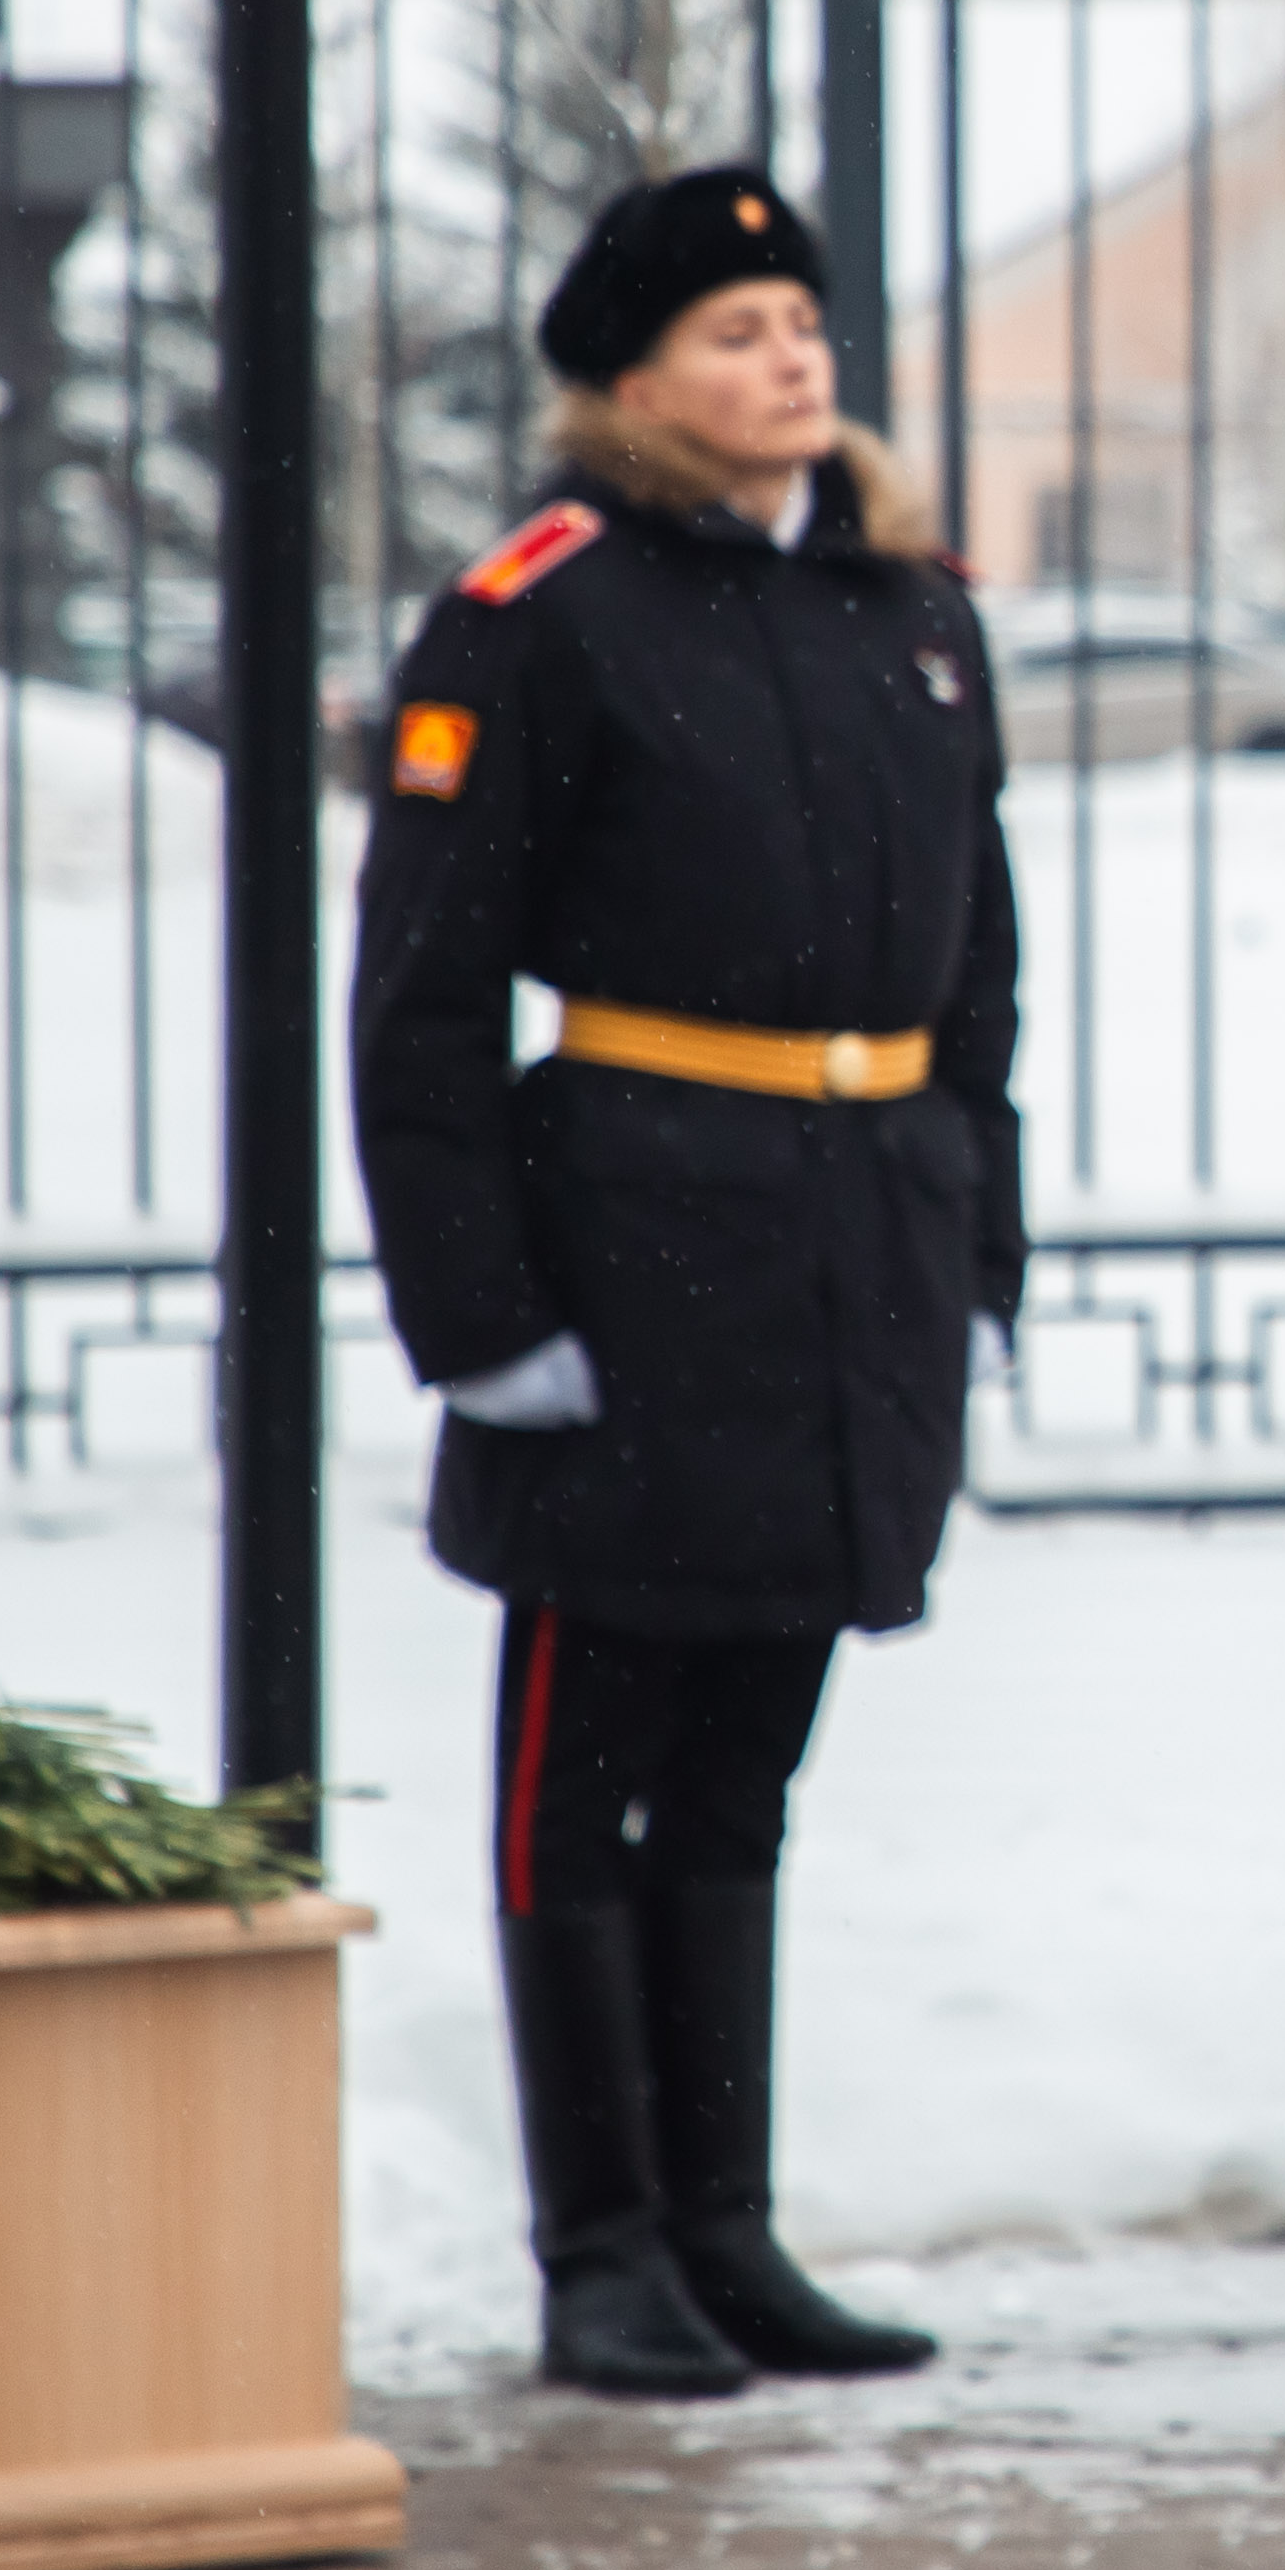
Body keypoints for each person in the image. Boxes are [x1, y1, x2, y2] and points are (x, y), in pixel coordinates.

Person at [349, 163, 1023, 2398]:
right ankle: (600, 2246)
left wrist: (977, 1233)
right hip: (630, 1257)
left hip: (853, 1254)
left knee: (743, 1772)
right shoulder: (544, 610)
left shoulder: (905, 604)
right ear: (630, 383)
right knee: (585, 1777)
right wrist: (478, 1315)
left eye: (799, 321)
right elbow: (421, 993)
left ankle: (724, 2232)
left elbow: (981, 963)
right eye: (734, 331)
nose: (788, 358)